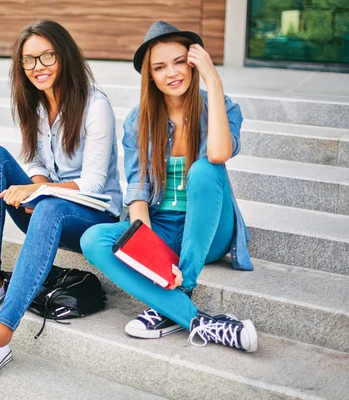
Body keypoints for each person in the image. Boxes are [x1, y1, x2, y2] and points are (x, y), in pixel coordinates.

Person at [0, 20, 122, 382]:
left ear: (64, 56)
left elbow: (94, 185)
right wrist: (38, 184)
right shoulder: (33, 106)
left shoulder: (95, 107)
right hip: (48, 210)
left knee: (48, 205)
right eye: (28, 60)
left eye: (47, 56)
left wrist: (38, 192)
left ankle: (0, 336)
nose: (38, 67)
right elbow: (33, 162)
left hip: (93, 219)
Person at [80, 21, 258, 352]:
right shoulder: (139, 120)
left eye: (179, 62)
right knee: (93, 239)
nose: (171, 73)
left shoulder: (221, 107)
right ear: (149, 76)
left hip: (209, 232)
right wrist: (150, 257)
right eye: (159, 67)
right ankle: (198, 321)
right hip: (162, 226)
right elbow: (138, 191)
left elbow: (219, 153)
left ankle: (183, 287)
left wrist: (214, 82)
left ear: (193, 62)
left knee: (205, 169)